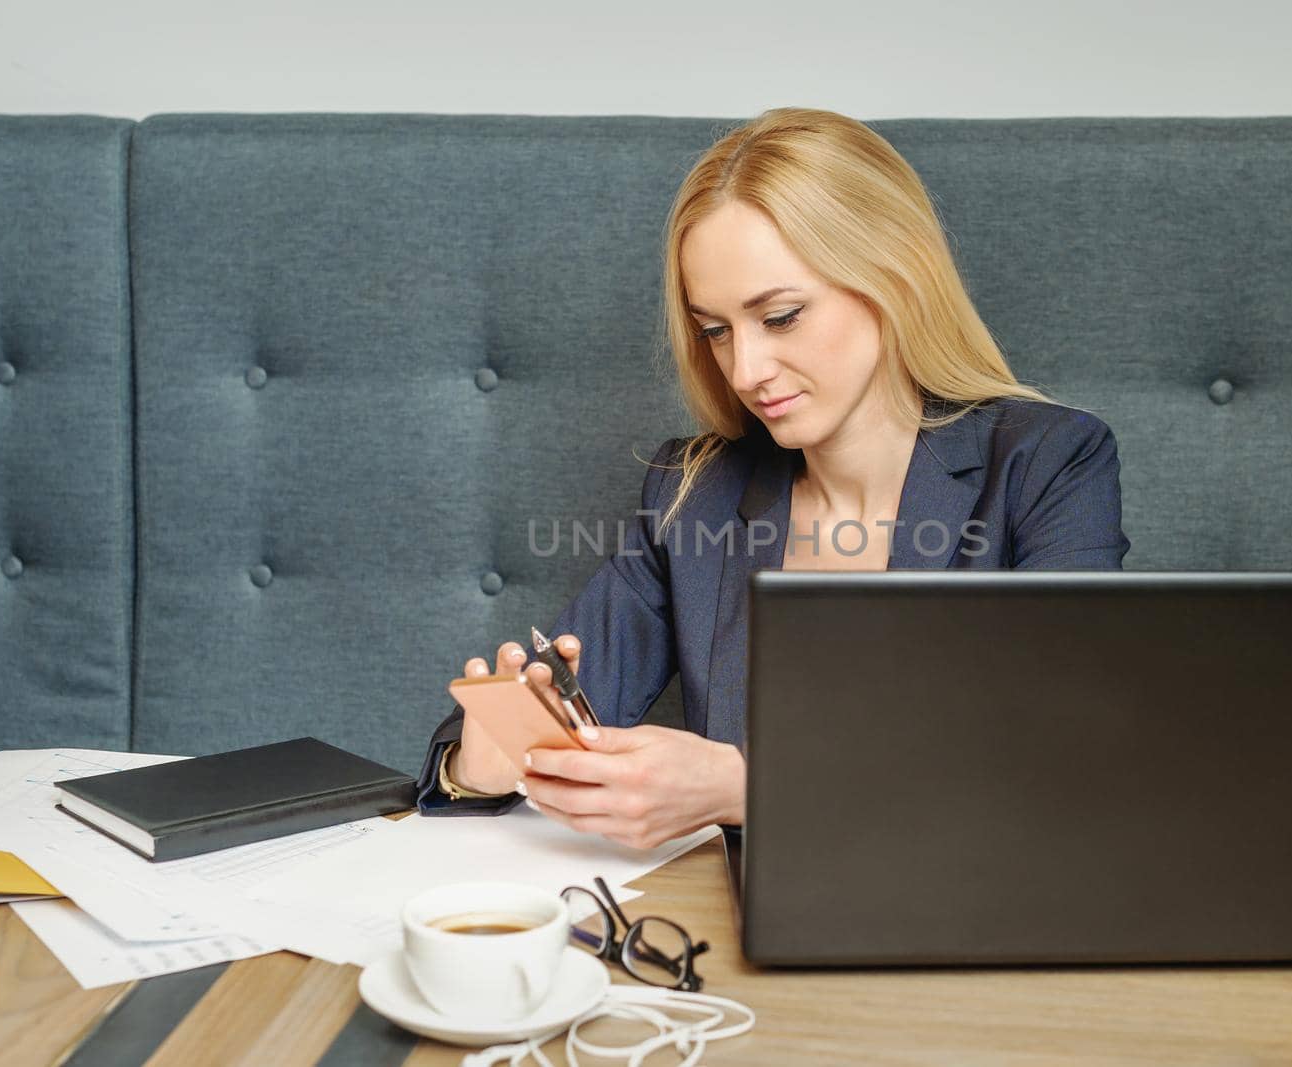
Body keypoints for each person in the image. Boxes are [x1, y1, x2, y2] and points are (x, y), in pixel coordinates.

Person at [416, 107, 1130, 848]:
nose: (747, 372)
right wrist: (484, 759)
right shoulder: (693, 494)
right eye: (717, 331)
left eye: (781, 316)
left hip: (977, 923)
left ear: (894, 275)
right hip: (737, 937)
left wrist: (744, 788)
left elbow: (1072, 759)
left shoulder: (1048, 463)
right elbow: (542, 714)